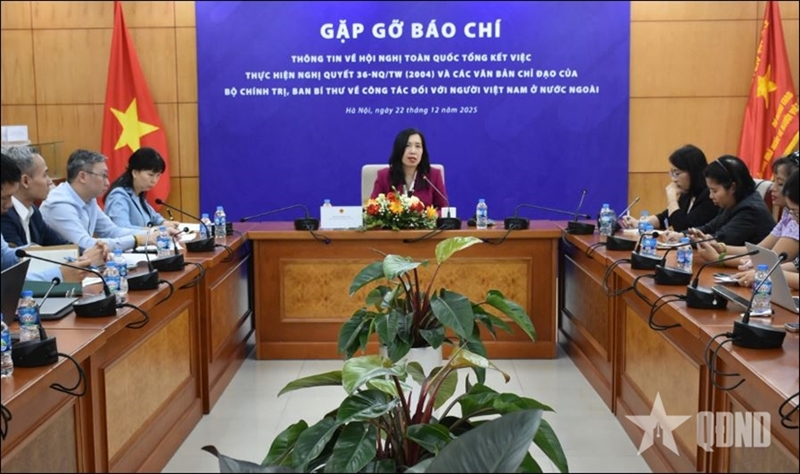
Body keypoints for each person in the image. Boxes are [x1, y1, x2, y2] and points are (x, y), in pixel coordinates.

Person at [39, 149, 157, 252]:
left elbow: (111, 231)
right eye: (103, 176)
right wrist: (136, 240)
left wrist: (151, 234)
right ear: (83, 177)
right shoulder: (59, 204)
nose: (108, 183)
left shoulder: (89, 199)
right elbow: (84, 245)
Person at [695, 153, 799, 268]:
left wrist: (718, 258)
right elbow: (760, 249)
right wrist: (721, 248)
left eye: (780, 184)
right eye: (774, 181)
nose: (772, 188)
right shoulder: (789, 214)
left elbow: (770, 262)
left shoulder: (752, 209)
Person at [1, 153, 92, 281]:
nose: (9, 204)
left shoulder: (34, 212)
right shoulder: (6, 217)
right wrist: (59, 275)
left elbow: (4, 256)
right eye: (4, 198)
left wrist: (33, 250)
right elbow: (9, 278)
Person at [669, 155, 776, 246]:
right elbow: (709, 227)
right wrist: (681, 235)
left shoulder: (750, 210)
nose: (710, 196)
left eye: (714, 191)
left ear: (732, 187)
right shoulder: (733, 201)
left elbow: (720, 240)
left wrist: (686, 240)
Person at [620, 144, 717, 231]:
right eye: (672, 173)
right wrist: (638, 223)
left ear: (693, 172)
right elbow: (665, 218)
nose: (674, 179)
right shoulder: (688, 193)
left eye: (677, 173)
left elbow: (682, 227)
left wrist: (672, 198)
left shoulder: (709, 196)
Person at [731, 168, 800, 290]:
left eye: (797, 213)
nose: (794, 220)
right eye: (792, 212)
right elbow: (797, 265)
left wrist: (769, 275)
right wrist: (762, 272)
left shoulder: (750, 208)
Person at [103, 147, 180, 231]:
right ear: (135, 173)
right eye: (150, 175)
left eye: (158, 175)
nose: (154, 180)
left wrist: (164, 223)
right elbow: (121, 228)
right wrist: (156, 230)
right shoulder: (118, 196)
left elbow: (154, 216)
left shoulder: (138, 194)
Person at [370, 128, 448, 209]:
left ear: (423, 152)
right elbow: (372, 208)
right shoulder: (384, 176)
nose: (413, 151)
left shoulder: (434, 175)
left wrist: (426, 215)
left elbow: (443, 209)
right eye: (407, 146)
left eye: (418, 146)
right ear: (399, 149)